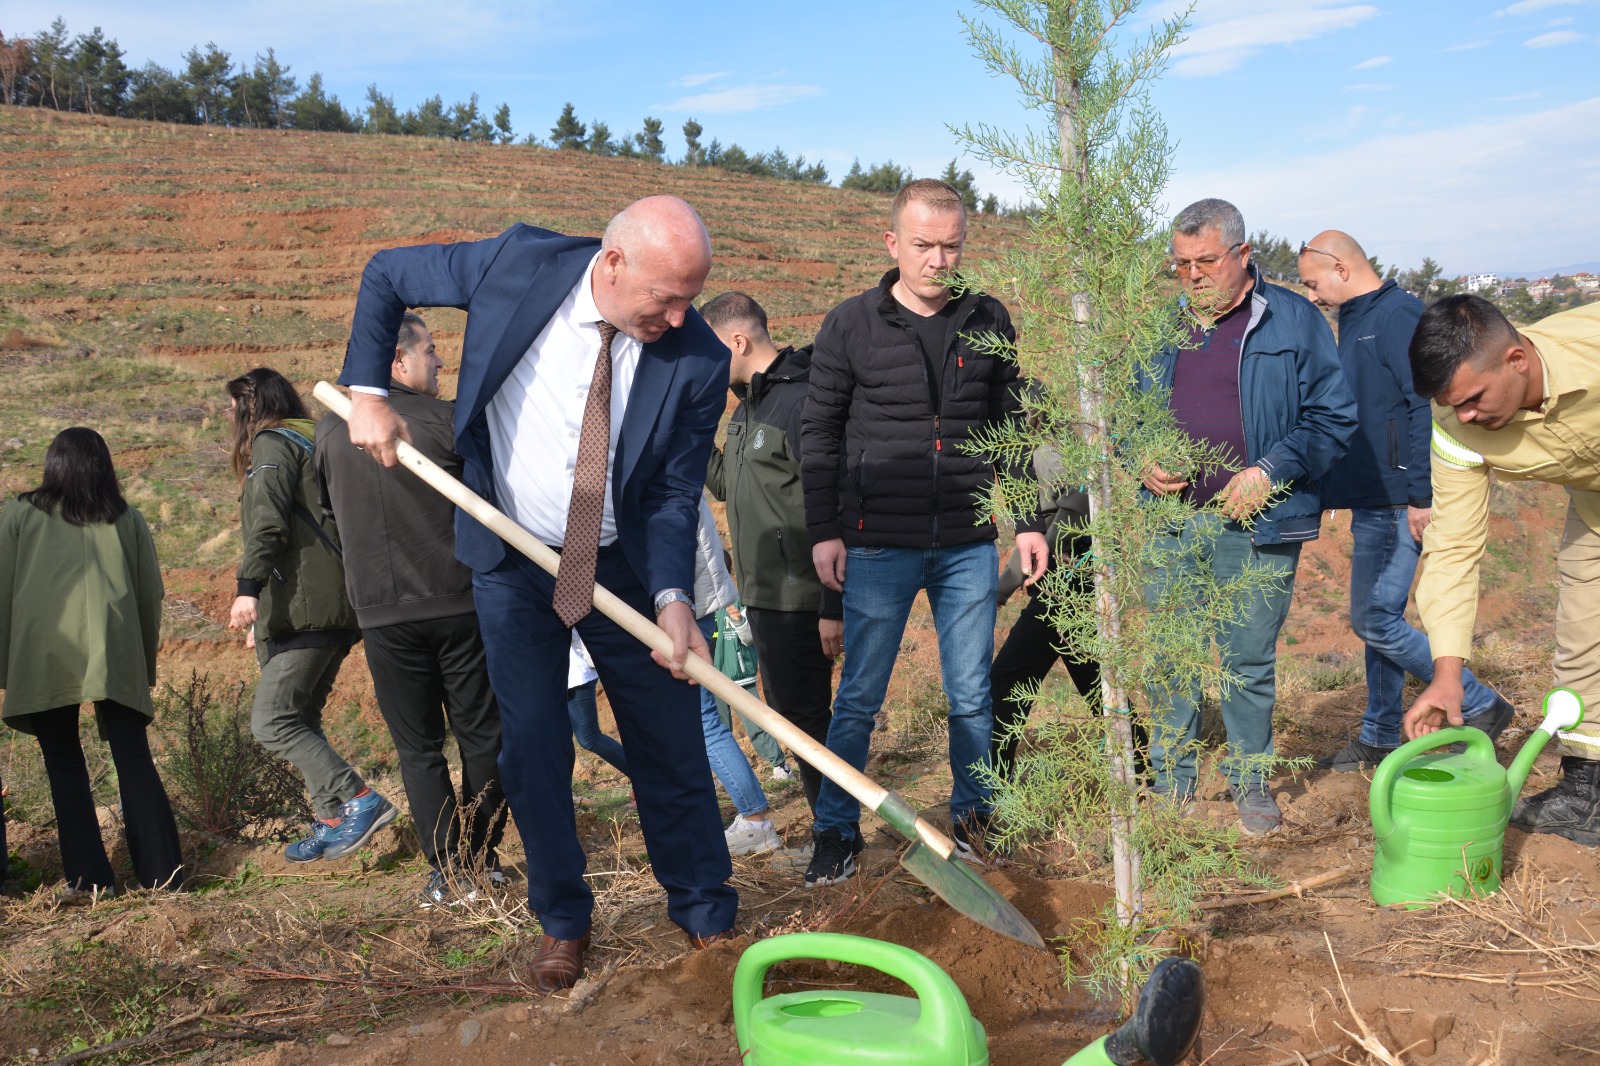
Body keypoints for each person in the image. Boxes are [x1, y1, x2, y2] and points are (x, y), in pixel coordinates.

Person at [338, 196, 739, 993]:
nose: (680, 314)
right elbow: (388, 275)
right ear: (614, 264)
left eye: (692, 296)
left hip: (622, 561)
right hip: (513, 560)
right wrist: (368, 393)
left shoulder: (696, 357)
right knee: (532, 749)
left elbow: (668, 494)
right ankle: (563, 919)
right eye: (666, 296)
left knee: (670, 739)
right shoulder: (514, 265)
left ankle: (704, 911)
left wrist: (671, 596)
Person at [800, 178, 1049, 887]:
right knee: (859, 699)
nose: (940, 260)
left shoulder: (987, 317)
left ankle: (974, 819)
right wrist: (825, 529)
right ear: (892, 244)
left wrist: (1027, 521)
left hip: (968, 543)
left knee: (971, 693)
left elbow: (1009, 431)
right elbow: (818, 433)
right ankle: (835, 832)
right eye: (923, 246)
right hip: (877, 542)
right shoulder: (852, 323)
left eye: (952, 245)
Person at [1138, 198, 1355, 835]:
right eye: (1181, 264)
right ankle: (1171, 781)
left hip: (1258, 525)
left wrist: (1270, 469)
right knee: (1171, 656)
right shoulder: (1161, 324)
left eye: (1207, 261)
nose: (1194, 275)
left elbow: (1334, 417)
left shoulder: (1292, 320)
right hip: (1171, 521)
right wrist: (1141, 457)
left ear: (1242, 253)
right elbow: (1125, 414)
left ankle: (1251, 784)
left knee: (1248, 659)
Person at [1299, 233, 1513, 772]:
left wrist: (1421, 495)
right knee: (1381, 617)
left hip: (1399, 499)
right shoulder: (1358, 317)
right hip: (1375, 496)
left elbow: (1427, 409)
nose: (1311, 293)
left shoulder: (1397, 316)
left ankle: (1480, 701)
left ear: (1341, 269)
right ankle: (1378, 734)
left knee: (1373, 619)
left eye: (1312, 281)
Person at [315, 314, 507, 908]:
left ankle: (448, 871)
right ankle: (482, 857)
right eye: (431, 351)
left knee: (417, 747)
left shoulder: (329, 432)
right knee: (482, 735)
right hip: (458, 604)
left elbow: (329, 517)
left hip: (381, 613)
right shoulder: (448, 423)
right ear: (397, 360)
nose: (439, 363)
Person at [1403, 296, 1600, 847]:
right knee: (1585, 631)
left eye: (1473, 399)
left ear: (1517, 360)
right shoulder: (1457, 427)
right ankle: (1587, 791)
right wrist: (1447, 675)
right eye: (1452, 404)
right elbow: (1454, 548)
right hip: (1597, 507)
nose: (1465, 416)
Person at [0, 427, 183, 893]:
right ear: (104, 465)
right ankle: (164, 877)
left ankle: (89, 881)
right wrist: (142, 664)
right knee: (134, 757)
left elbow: (1, 592)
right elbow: (150, 596)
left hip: (42, 652)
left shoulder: (19, 513)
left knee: (63, 764)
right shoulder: (127, 518)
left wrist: (6, 667)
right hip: (114, 649)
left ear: (53, 464)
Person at [225, 368, 396, 863]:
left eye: (232, 405)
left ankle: (360, 800)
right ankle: (330, 819)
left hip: (306, 607)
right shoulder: (317, 440)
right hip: (339, 602)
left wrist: (248, 589)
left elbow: (269, 525)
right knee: (302, 718)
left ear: (251, 406)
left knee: (273, 722)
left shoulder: (272, 445)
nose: (226, 415)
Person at [702, 291, 841, 814]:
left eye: (708, 349)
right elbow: (725, 484)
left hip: (801, 598)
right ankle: (835, 826)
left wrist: (833, 606)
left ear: (738, 341)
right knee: (791, 715)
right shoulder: (746, 409)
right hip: (762, 598)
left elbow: (834, 504)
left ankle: (837, 832)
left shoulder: (798, 402)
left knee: (807, 721)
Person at [989, 463, 1102, 778]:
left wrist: (1004, 587)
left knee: (1008, 680)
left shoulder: (1066, 434)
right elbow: (1048, 527)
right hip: (1062, 575)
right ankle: (1144, 772)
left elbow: (1073, 512)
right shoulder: (1038, 437)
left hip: (1072, 575)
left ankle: (992, 786)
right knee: (1097, 683)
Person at [691, 497, 783, 856]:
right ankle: (749, 818)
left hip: (680, 606)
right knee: (701, 724)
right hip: (685, 602)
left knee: (705, 724)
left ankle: (756, 821)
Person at [566, 634, 630, 777]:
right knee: (561, 739)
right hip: (562, 677)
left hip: (575, 676)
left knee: (589, 737)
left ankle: (645, 778)